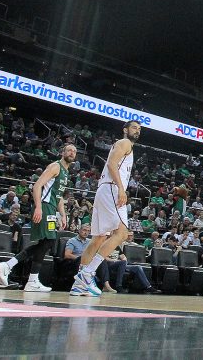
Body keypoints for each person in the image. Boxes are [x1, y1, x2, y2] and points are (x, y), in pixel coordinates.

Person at [70, 120, 139, 297]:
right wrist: (121, 189)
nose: (137, 131)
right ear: (125, 130)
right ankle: (87, 273)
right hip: (111, 188)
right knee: (122, 234)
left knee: (98, 238)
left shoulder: (126, 146)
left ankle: (79, 285)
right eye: (134, 127)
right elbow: (111, 164)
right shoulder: (124, 143)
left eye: (139, 129)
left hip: (105, 189)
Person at [0, 144, 77, 292]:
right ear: (63, 152)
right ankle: (11, 267)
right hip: (44, 207)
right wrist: (38, 207)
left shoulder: (65, 173)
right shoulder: (55, 166)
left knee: (47, 242)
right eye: (69, 150)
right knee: (48, 241)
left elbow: (57, 196)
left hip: (51, 209)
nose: (72, 153)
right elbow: (37, 186)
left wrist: (63, 215)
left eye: (75, 151)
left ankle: (26, 276)